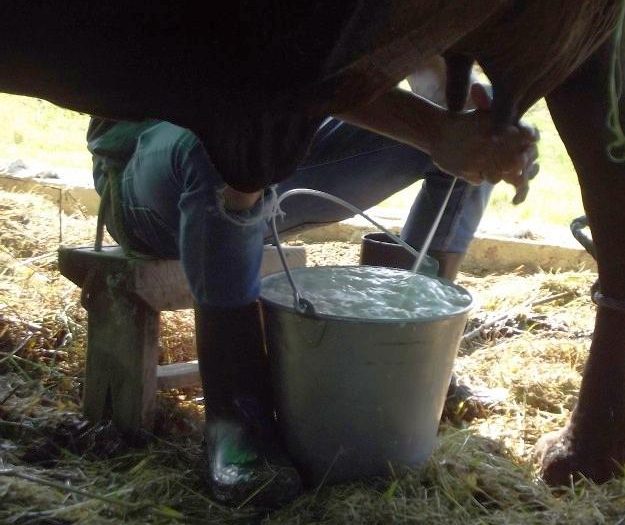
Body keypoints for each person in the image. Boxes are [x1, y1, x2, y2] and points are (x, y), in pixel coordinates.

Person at [87, 58, 538, 506]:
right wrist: (435, 131)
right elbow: (259, 75)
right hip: (148, 168)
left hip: (279, 137)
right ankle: (238, 415)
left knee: (482, 132)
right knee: (229, 139)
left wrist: (456, 112)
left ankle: (409, 356)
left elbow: (408, 63)